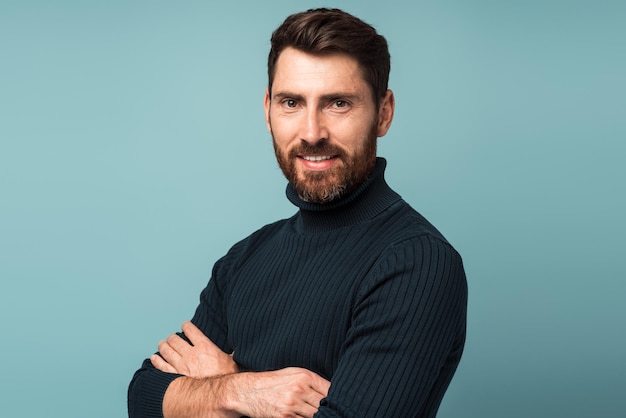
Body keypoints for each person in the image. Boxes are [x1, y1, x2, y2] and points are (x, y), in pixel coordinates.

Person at [128, 8, 467, 418]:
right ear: (268, 109)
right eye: (292, 102)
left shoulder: (417, 262)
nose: (311, 132)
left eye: (338, 103)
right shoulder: (244, 260)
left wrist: (212, 386)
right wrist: (240, 389)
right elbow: (144, 397)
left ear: (383, 113)